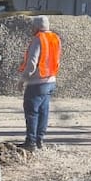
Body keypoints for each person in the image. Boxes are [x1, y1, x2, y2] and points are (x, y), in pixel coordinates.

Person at [18, 15, 61, 149]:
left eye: (33, 26)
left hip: (37, 82)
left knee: (31, 112)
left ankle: (30, 142)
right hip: (50, 80)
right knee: (43, 111)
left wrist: (22, 79)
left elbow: (31, 64)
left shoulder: (38, 39)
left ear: (37, 27)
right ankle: (39, 140)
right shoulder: (55, 38)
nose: (31, 28)